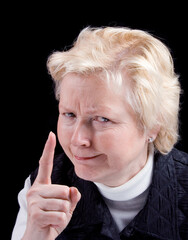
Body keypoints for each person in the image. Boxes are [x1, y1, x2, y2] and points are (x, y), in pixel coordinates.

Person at [12, 26, 188, 240]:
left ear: (153, 124)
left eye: (102, 119)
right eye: (69, 114)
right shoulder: (41, 191)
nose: (78, 140)